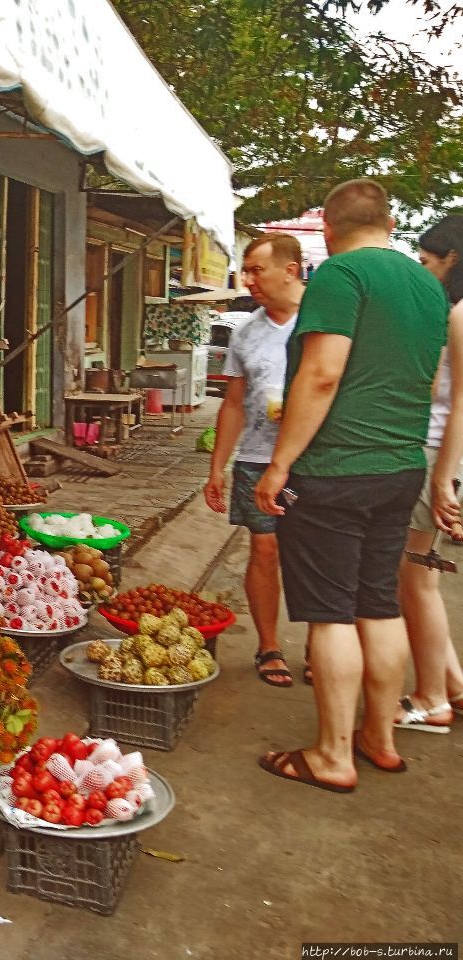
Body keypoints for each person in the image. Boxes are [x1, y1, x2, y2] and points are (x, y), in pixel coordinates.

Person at [254, 179, 449, 792]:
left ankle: (333, 755)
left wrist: (281, 463)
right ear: (389, 224)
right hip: (400, 466)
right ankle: (379, 737)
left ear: (330, 231)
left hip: (337, 468)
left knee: (330, 613)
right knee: (378, 603)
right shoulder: (427, 284)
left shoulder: (342, 275)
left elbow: (322, 373)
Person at [203, 233, 305, 688]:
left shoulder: (327, 321)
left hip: (315, 460)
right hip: (257, 457)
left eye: (257, 270)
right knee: (264, 550)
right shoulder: (246, 331)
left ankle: (323, 647)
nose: (248, 281)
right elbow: (233, 403)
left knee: (314, 554)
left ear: (291, 269)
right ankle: (268, 644)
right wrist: (217, 467)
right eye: (245, 271)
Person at [393, 216, 463, 732]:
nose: (422, 270)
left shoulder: (458, 314)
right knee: (417, 579)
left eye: (426, 261)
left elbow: (460, 402)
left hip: (436, 456)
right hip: (438, 456)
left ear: (451, 259)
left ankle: (431, 698)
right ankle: (454, 687)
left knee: (416, 581)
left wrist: (442, 479)